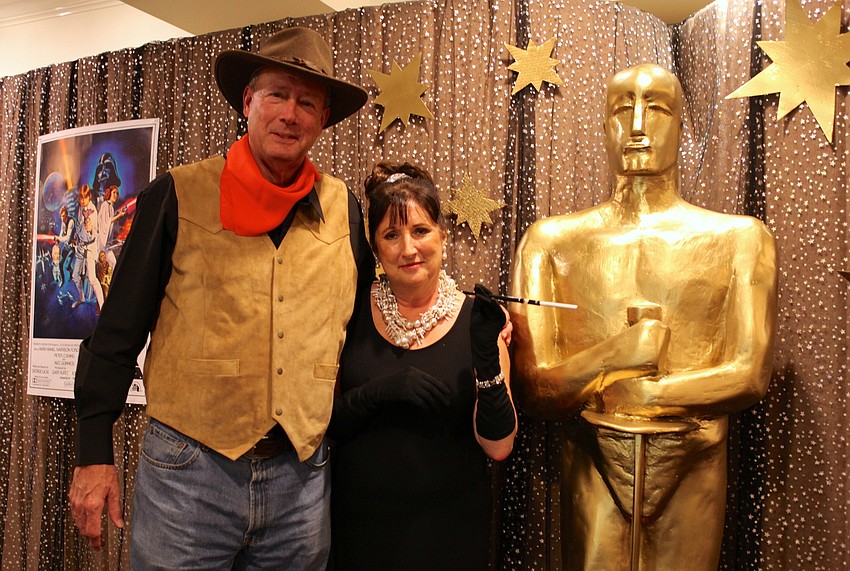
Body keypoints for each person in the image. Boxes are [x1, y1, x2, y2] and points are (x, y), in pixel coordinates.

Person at [69, 27, 372, 570]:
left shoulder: (344, 208)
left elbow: (367, 327)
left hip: (302, 482)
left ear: (322, 120)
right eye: (277, 94)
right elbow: (116, 332)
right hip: (190, 476)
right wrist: (94, 455)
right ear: (248, 101)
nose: (290, 114)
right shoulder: (177, 193)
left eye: (307, 102)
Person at [509, 64, 777, 571]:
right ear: (603, 128)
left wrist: (651, 394)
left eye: (655, 108)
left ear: (682, 125)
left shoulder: (740, 239)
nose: (636, 124)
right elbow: (533, 388)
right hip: (591, 462)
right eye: (619, 109)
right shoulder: (549, 243)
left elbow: (749, 373)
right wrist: (615, 356)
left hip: (693, 458)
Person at [329, 162, 518, 571]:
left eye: (420, 231)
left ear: (443, 236)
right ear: (376, 249)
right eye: (391, 236)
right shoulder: (349, 312)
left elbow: (498, 446)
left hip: (449, 533)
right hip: (358, 531)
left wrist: (485, 356)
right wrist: (378, 392)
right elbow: (323, 424)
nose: (408, 249)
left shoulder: (480, 321)